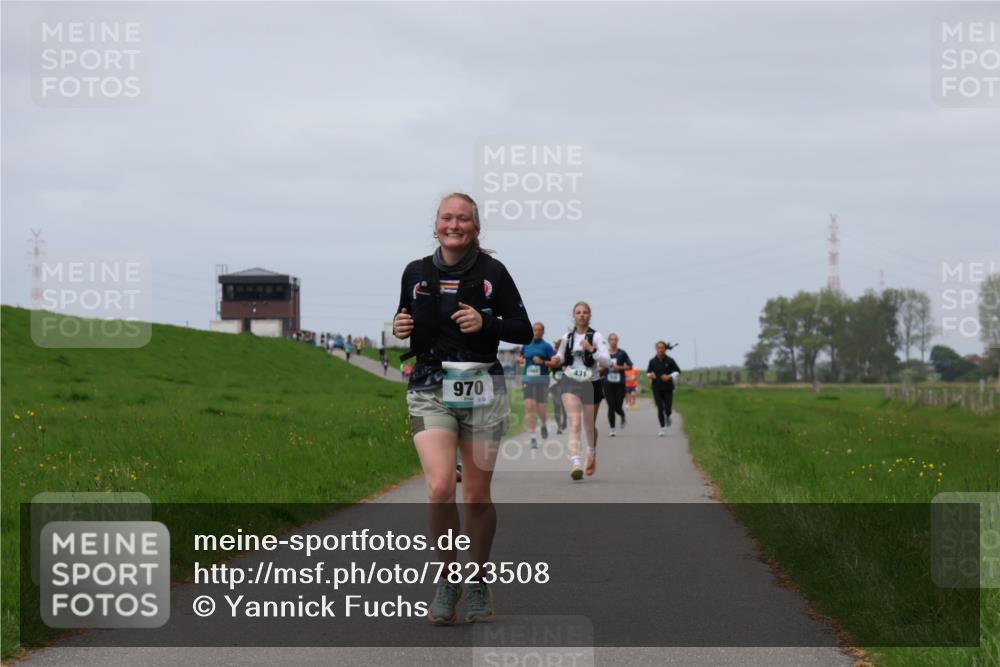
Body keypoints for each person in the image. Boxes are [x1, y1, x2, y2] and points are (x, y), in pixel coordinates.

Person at [391, 192, 532, 625]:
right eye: (447, 218)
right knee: (438, 488)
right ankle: (448, 576)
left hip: (481, 387)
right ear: (435, 225)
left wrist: (487, 323)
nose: (455, 225)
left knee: (474, 494)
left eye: (464, 219)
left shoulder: (493, 273)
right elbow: (404, 319)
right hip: (430, 385)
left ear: (476, 227)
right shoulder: (415, 272)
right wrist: (398, 326)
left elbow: (523, 330)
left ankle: (477, 578)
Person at [551, 302, 611, 480]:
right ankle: (576, 462)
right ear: (574, 316)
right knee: (575, 422)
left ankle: (591, 453)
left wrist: (591, 350)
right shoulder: (567, 337)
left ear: (589, 316)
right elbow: (561, 356)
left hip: (591, 382)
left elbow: (607, 362)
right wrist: (556, 358)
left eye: (585, 312)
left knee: (589, 425)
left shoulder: (597, 336)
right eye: (578, 312)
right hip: (570, 380)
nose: (582, 315)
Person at [517, 322, 555, 449]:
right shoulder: (526, 345)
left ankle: (543, 424)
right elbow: (520, 356)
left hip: (542, 381)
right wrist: (520, 359)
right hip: (527, 380)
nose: (537, 332)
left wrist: (542, 362)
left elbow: (555, 363)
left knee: (542, 410)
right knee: (529, 407)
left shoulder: (547, 347)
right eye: (535, 330)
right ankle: (533, 437)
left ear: (543, 332)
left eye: (539, 330)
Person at [647, 341, 682, 436]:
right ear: (656, 349)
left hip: (668, 388)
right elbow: (648, 373)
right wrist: (651, 375)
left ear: (665, 349)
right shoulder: (652, 361)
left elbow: (678, 371)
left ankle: (668, 415)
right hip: (656, 388)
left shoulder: (670, 360)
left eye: (662, 348)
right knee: (659, 408)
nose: (660, 350)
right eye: (658, 348)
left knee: (667, 408)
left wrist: (669, 376)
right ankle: (662, 427)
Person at [602, 334, 632, 437]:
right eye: (611, 339)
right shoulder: (604, 353)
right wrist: (604, 367)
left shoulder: (622, 353)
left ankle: (622, 415)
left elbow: (630, 366)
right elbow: (598, 368)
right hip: (608, 383)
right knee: (611, 406)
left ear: (617, 341)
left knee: (618, 405)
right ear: (609, 341)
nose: (613, 341)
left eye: (615, 339)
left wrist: (619, 367)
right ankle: (612, 429)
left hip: (620, 383)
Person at [548, 338, 567, 434]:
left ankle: (564, 421)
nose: (557, 348)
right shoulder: (552, 356)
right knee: (556, 404)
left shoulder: (566, 356)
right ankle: (559, 426)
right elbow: (548, 366)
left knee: (564, 406)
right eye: (556, 347)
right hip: (554, 383)